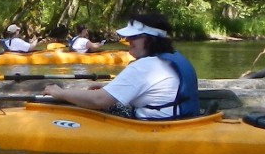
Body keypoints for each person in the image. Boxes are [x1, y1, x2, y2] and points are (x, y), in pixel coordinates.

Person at [44, 13, 199, 120]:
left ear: (150, 40)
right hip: (176, 118)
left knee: (84, 107)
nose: (127, 39)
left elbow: (99, 100)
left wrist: (60, 93)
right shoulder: (167, 59)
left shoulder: (145, 67)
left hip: (154, 125)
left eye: (133, 37)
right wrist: (111, 87)